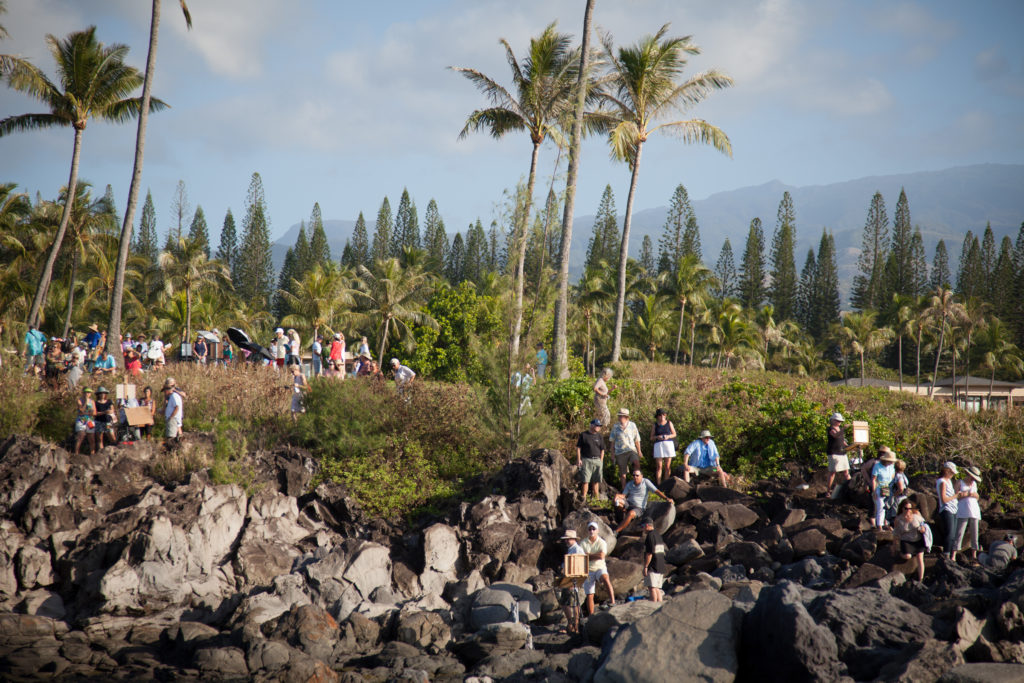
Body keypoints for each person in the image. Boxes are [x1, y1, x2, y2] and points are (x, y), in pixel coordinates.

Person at [614, 468, 671, 533]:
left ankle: (616, 531)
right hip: (628, 503)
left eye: (637, 475)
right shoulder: (630, 484)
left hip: (639, 508)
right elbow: (624, 495)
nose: (635, 477)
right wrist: (617, 496)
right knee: (617, 501)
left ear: (641, 476)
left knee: (631, 514)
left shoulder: (646, 482)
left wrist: (666, 498)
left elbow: (656, 491)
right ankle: (624, 511)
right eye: (633, 475)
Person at [581, 521, 614, 615]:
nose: (592, 530)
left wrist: (588, 556)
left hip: (600, 567)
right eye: (590, 529)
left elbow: (601, 556)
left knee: (606, 578)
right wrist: (594, 555)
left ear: (598, 531)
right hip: (588, 570)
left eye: (593, 529)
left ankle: (613, 601)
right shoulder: (583, 542)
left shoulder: (602, 542)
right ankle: (591, 615)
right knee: (589, 595)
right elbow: (581, 557)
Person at [954, 466, 982, 563]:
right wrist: (966, 494)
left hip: (974, 510)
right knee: (959, 532)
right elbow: (955, 496)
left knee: (975, 533)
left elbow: (977, 496)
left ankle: (974, 554)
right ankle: (954, 553)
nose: (973, 480)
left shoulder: (974, 484)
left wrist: (974, 495)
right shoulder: (960, 482)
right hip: (963, 510)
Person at [894, 499, 927, 582]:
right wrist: (895, 545)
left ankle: (921, 579)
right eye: (906, 508)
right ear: (902, 508)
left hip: (917, 539)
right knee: (907, 556)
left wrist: (923, 529)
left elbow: (923, 523)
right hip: (906, 540)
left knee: (920, 558)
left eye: (910, 508)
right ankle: (901, 553)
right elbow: (896, 533)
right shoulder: (898, 519)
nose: (908, 510)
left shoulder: (916, 515)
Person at [560, 530, 586, 634]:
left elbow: (580, 565)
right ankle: (571, 625)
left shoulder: (577, 549)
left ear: (574, 539)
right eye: (566, 539)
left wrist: (575, 579)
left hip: (573, 580)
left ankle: (575, 626)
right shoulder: (571, 549)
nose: (566, 541)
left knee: (574, 604)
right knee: (565, 603)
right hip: (568, 579)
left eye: (568, 539)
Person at [609, 408, 642, 490]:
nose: (620, 418)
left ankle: (638, 484)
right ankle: (624, 489)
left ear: (626, 417)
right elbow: (612, 441)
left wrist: (639, 451)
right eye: (619, 416)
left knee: (636, 463)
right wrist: (612, 454)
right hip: (620, 452)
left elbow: (637, 439)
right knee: (622, 473)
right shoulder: (615, 426)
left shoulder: (632, 425)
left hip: (631, 449)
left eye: (621, 416)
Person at [826, 412, 857, 495]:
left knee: (846, 472)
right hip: (834, 453)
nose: (839, 422)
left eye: (840, 421)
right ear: (833, 420)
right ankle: (828, 491)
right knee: (833, 472)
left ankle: (851, 489)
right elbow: (835, 435)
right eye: (837, 421)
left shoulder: (840, 430)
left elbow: (842, 441)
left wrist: (851, 448)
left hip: (842, 452)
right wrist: (843, 429)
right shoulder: (831, 429)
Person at [576, 419, 605, 503]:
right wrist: (579, 459)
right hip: (586, 460)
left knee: (596, 481)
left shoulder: (600, 436)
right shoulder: (583, 435)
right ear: (591, 425)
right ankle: (583, 499)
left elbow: (602, 449)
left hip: (597, 460)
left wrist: (601, 461)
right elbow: (578, 448)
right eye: (597, 425)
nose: (598, 427)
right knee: (585, 481)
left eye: (599, 426)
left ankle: (596, 500)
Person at [936, 462, 959, 559]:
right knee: (949, 533)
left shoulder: (948, 481)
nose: (953, 475)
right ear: (947, 471)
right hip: (947, 509)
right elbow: (944, 499)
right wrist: (956, 496)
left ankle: (949, 554)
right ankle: (946, 554)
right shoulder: (942, 481)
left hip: (954, 509)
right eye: (952, 472)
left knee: (953, 534)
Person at [870, 447, 897, 530]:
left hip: (888, 488)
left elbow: (892, 476)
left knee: (886, 507)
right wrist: (874, 491)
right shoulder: (877, 466)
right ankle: (879, 526)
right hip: (879, 487)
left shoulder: (891, 467)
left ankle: (884, 523)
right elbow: (874, 479)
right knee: (880, 507)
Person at [641, 517, 667, 602]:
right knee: (657, 588)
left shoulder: (650, 536)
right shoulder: (658, 535)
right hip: (660, 565)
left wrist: (645, 567)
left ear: (647, 525)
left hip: (653, 566)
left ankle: (653, 606)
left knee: (652, 587)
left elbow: (649, 553)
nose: (642, 529)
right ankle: (659, 606)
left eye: (642, 526)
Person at [650, 408, 677, 485]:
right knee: (659, 466)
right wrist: (657, 437)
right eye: (660, 415)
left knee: (667, 466)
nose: (662, 417)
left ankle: (666, 484)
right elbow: (651, 437)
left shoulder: (669, 423)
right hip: (658, 445)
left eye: (664, 415)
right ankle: (659, 485)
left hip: (668, 445)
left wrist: (668, 436)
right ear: (657, 416)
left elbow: (674, 434)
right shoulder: (655, 425)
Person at [73, 387, 96, 455]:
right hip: (81, 420)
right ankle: (76, 453)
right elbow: (81, 410)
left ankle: (92, 453)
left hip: (90, 421)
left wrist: (90, 412)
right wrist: (86, 402)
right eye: (86, 392)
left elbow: (94, 413)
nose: (88, 394)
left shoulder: (92, 401)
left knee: (91, 438)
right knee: (81, 436)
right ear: (83, 393)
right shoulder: (79, 400)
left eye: (89, 393)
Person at [162, 377, 185, 442]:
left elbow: (177, 407)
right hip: (175, 420)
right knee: (178, 436)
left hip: (173, 420)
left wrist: (171, 417)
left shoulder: (174, 395)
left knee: (171, 438)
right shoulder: (171, 396)